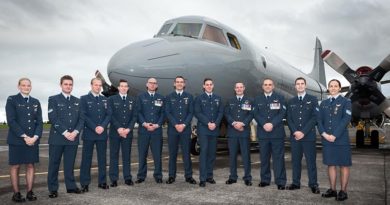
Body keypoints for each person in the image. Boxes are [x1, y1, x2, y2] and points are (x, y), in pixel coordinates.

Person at [6, 78, 43, 202]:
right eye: (23, 85)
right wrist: (24, 136)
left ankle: (29, 192)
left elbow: (39, 122)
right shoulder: (12, 100)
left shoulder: (36, 102)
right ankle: (16, 193)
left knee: (30, 165)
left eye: (28, 85)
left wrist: (35, 137)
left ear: (31, 86)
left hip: (32, 139)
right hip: (17, 139)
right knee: (15, 166)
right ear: (19, 86)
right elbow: (11, 120)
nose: (26, 87)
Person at [47, 75, 84, 198]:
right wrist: (65, 132)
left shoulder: (77, 101)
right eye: (66, 84)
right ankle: (53, 189)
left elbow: (81, 119)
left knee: (70, 164)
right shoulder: (53, 99)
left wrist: (75, 132)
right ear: (61, 85)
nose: (68, 86)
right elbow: (53, 118)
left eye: (70, 84)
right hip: (57, 138)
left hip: (73, 138)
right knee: (54, 164)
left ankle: (71, 187)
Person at [317, 79, 352, 201]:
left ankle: (343, 191)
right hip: (327, 139)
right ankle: (332, 189)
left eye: (335, 86)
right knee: (331, 164)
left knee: (344, 165)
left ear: (339, 88)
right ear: (328, 88)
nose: (333, 88)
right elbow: (319, 120)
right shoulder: (324, 103)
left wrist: (335, 135)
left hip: (341, 139)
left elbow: (346, 119)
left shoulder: (346, 102)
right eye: (330, 86)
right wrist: (324, 134)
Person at [286, 77, 320, 194]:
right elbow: (289, 119)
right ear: (295, 86)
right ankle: (296, 183)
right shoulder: (291, 101)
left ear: (305, 86)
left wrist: (303, 132)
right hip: (295, 137)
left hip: (308, 137)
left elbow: (315, 117)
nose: (300, 86)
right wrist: (295, 131)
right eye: (298, 84)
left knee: (311, 161)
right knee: (295, 161)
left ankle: (313, 184)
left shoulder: (313, 99)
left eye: (302, 84)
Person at [253, 78, 287, 190]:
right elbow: (255, 113)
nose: (268, 86)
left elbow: (282, 113)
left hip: (276, 133)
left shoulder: (280, 98)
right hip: (263, 133)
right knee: (264, 158)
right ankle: (265, 180)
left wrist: (272, 124)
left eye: (270, 84)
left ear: (273, 86)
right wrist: (264, 124)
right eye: (265, 84)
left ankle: (280, 181)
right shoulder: (257, 99)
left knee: (278, 158)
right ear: (262, 86)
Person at [79, 78, 112, 192]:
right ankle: (84, 183)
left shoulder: (105, 100)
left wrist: (102, 126)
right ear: (91, 85)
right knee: (86, 159)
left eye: (99, 85)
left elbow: (108, 115)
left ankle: (102, 182)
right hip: (89, 133)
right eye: (95, 85)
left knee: (102, 159)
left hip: (102, 134)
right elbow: (83, 115)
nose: (98, 87)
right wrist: (94, 127)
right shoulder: (84, 99)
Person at [165, 76, 197, 185]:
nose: (179, 84)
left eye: (181, 82)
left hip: (185, 130)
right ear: (174, 84)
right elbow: (168, 112)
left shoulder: (189, 97)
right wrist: (175, 124)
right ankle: (171, 176)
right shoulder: (169, 97)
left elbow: (191, 112)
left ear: (184, 84)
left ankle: (188, 176)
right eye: (177, 82)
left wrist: (183, 124)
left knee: (186, 154)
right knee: (172, 154)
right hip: (173, 130)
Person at [194, 78, 224, 187]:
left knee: (212, 154)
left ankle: (209, 176)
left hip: (214, 129)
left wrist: (215, 123)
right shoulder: (199, 98)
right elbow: (197, 112)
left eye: (211, 84)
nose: (209, 86)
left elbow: (221, 112)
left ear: (213, 86)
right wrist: (208, 123)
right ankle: (202, 178)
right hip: (204, 130)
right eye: (207, 84)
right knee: (204, 153)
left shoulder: (218, 98)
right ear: (203, 86)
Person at [108, 79, 137, 187]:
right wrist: (119, 128)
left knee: (127, 156)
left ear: (128, 88)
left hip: (128, 133)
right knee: (114, 156)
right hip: (115, 133)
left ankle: (127, 178)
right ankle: (114, 179)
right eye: (122, 86)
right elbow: (110, 115)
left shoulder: (132, 100)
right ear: (118, 88)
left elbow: (134, 116)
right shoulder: (111, 99)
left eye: (126, 86)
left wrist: (128, 129)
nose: (124, 88)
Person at [135, 77, 165, 184]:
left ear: (157, 86)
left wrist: (157, 125)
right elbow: (138, 113)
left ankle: (158, 175)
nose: (152, 85)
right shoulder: (140, 97)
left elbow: (163, 113)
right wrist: (144, 124)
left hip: (156, 131)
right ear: (147, 84)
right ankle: (141, 176)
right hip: (144, 131)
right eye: (150, 83)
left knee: (157, 155)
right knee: (142, 154)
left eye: (154, 83)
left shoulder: (161, 98)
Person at [224, 82, 253, 186]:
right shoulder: (230, 101)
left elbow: (251, 114)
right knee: (232, 156)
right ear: (234, 89)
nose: (239, 89)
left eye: (241, 87)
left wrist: (243, 124)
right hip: (232, 132)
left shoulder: (249, 101)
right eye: (237, 87)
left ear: (244, 88)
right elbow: (226, 114)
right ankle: (232, 177)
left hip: (244, 132)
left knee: (246, 156)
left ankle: (247, 178)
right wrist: (234, 123)